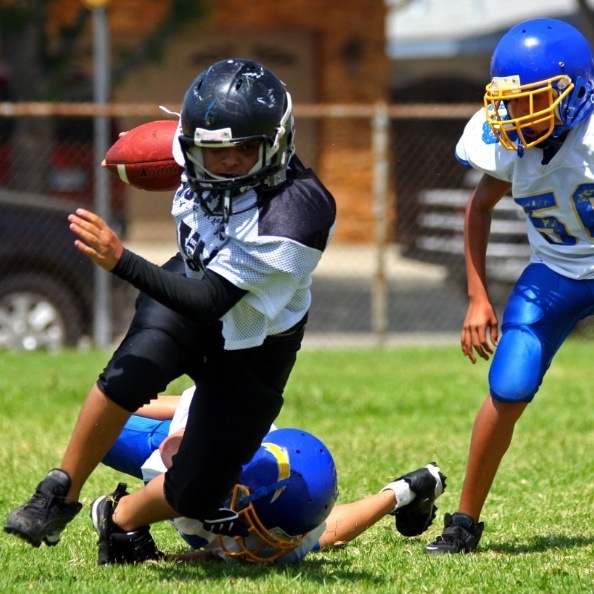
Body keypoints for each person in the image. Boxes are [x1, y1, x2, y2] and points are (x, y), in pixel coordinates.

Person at [4, 58, 337, 562]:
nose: (226, 162)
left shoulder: (298, 210)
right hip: (191, 278)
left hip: (254, 335)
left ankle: (119, 518)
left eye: (245, 149)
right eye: (212, 150)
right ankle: (58, 492)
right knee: (130, 370)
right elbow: (152, 156)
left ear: (276, 141)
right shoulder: (190, 149)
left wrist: (121, 261)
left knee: (199, 491)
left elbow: (213, 303)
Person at [425, 18, 594, 555]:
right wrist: (478, 296)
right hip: (556, 273)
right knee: (510, 385)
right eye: (511, 101)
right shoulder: (509, 144)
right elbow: (478, 208)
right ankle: (463, 524)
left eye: (533, 100)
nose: (517, 114)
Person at [98, 386, 447, 564]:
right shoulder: (221, 438)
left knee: (310, 544)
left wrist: (174, 559)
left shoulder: (298, 520)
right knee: (104, 428)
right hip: (179, 439)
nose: (264, 541)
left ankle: (407, 490)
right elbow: (186, 424)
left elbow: (317, 534)